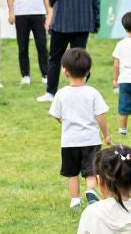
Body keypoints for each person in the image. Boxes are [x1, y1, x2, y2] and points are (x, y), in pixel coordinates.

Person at [48, 48, 112, 211]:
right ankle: (91, 190)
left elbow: (55, 114)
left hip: (69, 141)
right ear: (88, 71)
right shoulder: (93, 93)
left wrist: (63, 122)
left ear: (65, 71)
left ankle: (75, 200)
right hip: (90, 139)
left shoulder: (61, 94)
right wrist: (106, 135)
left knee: (72, 173)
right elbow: (101, 116)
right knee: (91, 171)